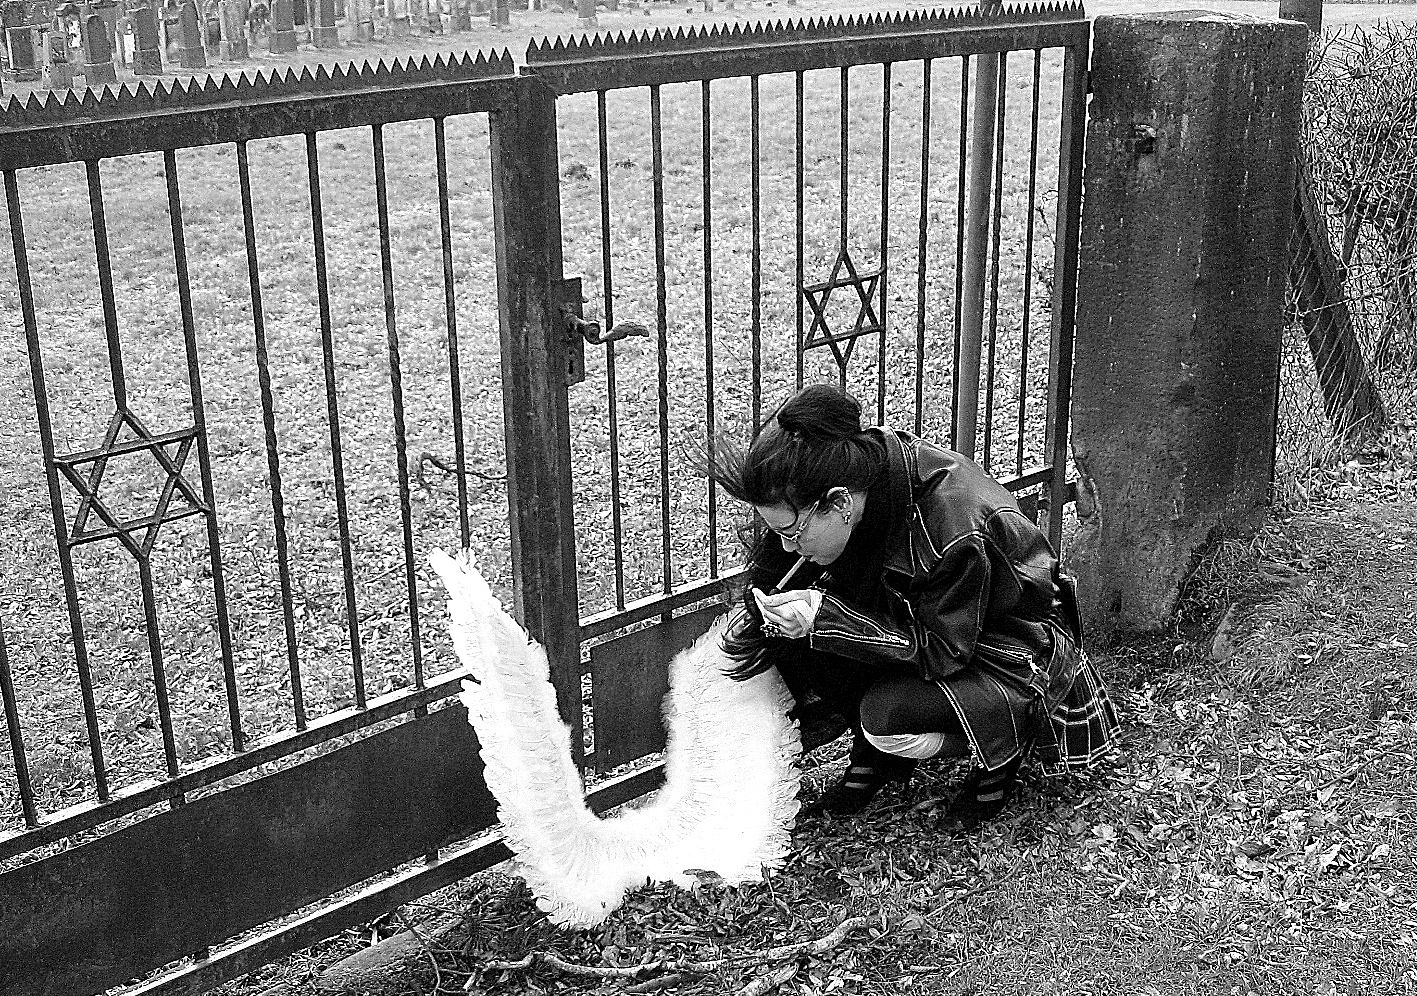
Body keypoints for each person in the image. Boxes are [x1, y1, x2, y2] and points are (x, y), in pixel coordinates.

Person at [701, 383, 1121, 825]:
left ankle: (1001, 750)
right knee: (810, 637)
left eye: (793, 531)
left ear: (839, 503)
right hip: (929, 625)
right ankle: (876, 757)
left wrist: (826, 618)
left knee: (886, 716)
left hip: (1012, 650)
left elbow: (941, 651)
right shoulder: (860, 471)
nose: (787, 549)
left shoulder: (954, 525)